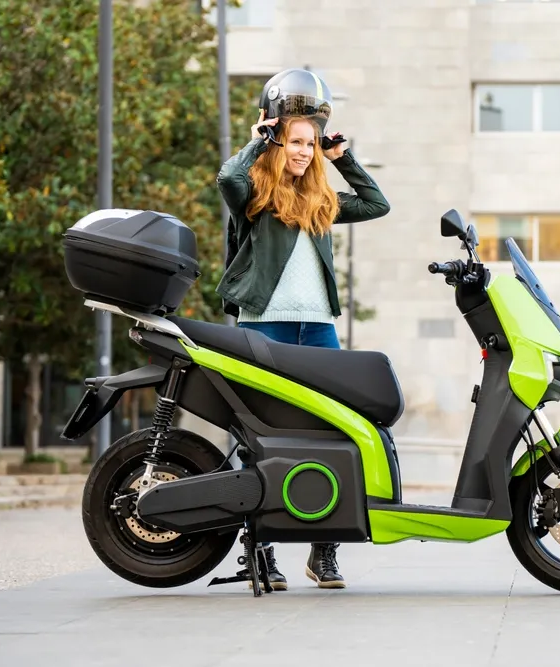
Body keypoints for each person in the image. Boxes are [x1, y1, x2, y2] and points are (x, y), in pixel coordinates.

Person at [215, 69, 390, 590]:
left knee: (338, 428)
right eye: (295, 141)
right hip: (263, 327)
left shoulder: (320, 200)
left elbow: (377, 203)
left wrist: (342, 158)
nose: (303, 151)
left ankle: (324, 551)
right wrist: (257, 142)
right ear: (276, 139)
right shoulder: (254, 194)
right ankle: (261, 552)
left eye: (310, 144)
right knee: (257, 434)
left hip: (316, 330)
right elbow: (227, 179)